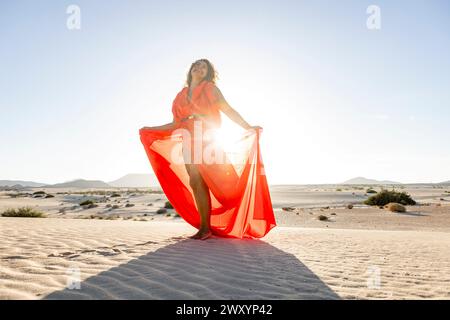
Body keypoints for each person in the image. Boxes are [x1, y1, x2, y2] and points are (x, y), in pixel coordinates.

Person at [140, 59, 274, 240]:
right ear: (190, 70)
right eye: (196, 65)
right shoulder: (180, 96)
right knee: (195, 182)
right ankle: (205, 227)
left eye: (204, 67)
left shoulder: (210, 89)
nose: (199, 68)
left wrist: (247, 126)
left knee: (221, 184)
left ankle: (218, 222)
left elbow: (228, 110)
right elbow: (175, 124)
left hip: (208, 139)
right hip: (188, 140)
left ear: (209, 73)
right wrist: (151, 129)